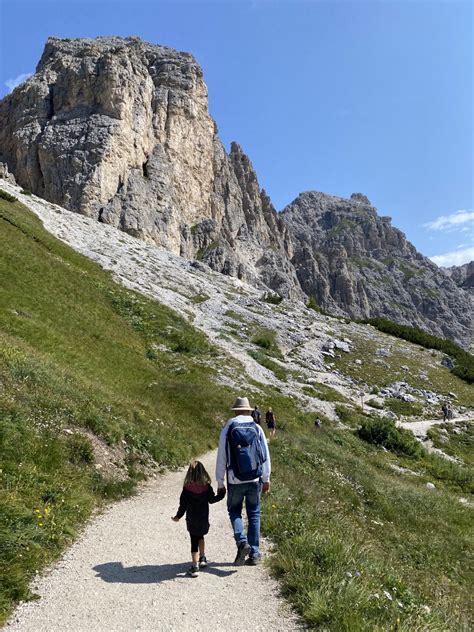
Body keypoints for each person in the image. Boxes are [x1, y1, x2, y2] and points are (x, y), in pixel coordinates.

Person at [216, 396, 271, 566]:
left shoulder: (228, 428)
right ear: (248, 410)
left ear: (236, 410)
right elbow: (265, 455)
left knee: (234, 511)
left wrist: (220, 482)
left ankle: (242, 542)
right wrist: (266, 478)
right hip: (255, 478)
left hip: (234, 479)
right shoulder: (257, 427)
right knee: (254, 513)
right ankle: (254, 553)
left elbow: (222, 457)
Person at [172, 460, 225, 577]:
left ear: (189, 473)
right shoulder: (206, 487)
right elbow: (212, 500)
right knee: (200, 536)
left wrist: (178, 516)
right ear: (203, 472)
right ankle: (202, 558)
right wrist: (221, 494)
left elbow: (183, 506)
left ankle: (195, 566)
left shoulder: (186, 489)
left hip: (192, 519)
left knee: (194, 540)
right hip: (203, 519)